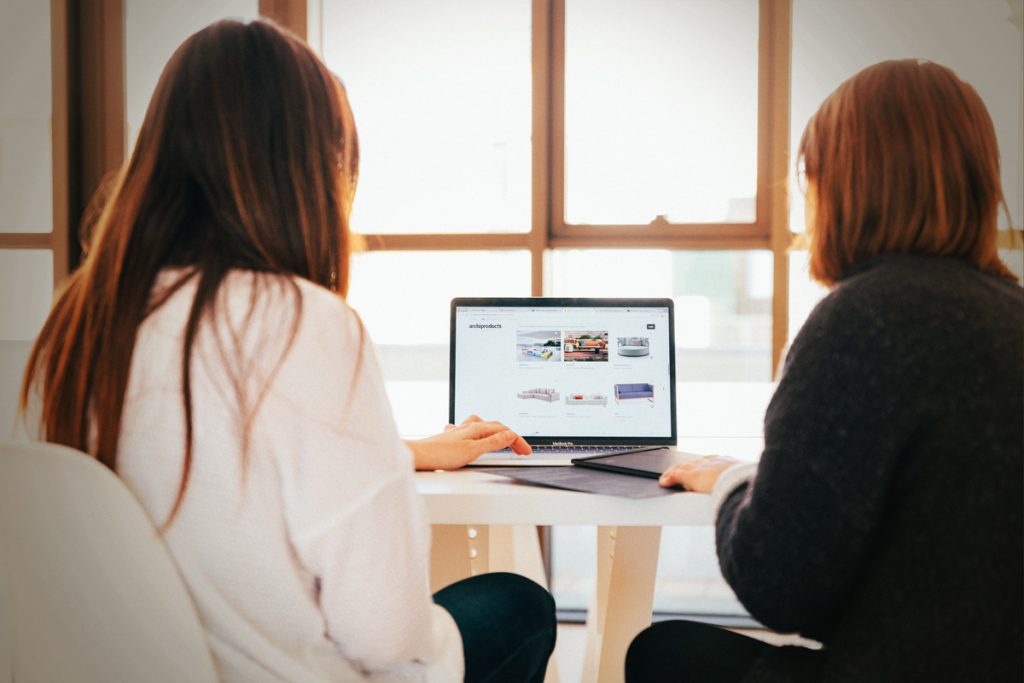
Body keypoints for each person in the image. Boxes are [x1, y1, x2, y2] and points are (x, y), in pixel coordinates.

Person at [19, 19, 555, 683]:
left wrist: (405, 450)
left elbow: (208, 467)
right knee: (519, 603)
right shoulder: (306, 323)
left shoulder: (75, 324)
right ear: (309, 171)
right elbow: (386, 632)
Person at [627, 59, 1023, 682]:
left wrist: (734, 482)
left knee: (661, 654)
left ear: (840, 184)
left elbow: (780, 589)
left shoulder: (862, 320)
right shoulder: (1010, 309)